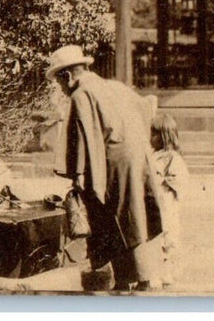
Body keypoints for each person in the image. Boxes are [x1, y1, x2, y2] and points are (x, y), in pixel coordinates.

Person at [48, 45, 164, 290]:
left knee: (113, 218)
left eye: (59, 83)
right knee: (136, 214)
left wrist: (78, 174)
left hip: (112, 161)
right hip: (137, 156)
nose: (61, 89)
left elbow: (82, 136)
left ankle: (130, 279)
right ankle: (141, 277)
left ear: (67, 76)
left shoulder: (82, 94)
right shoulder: (114, 86)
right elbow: (146, 106)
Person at [150, 112, 189, 287]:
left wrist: (161, 183)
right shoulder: (153, 156)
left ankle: (168, 273)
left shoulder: (172, 157)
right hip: (154, 201)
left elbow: (179, 181)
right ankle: (157, 272)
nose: (150, 138)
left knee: (168, 237)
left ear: (164, 136)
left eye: (154, 134)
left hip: (166, 201)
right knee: (155, 238)